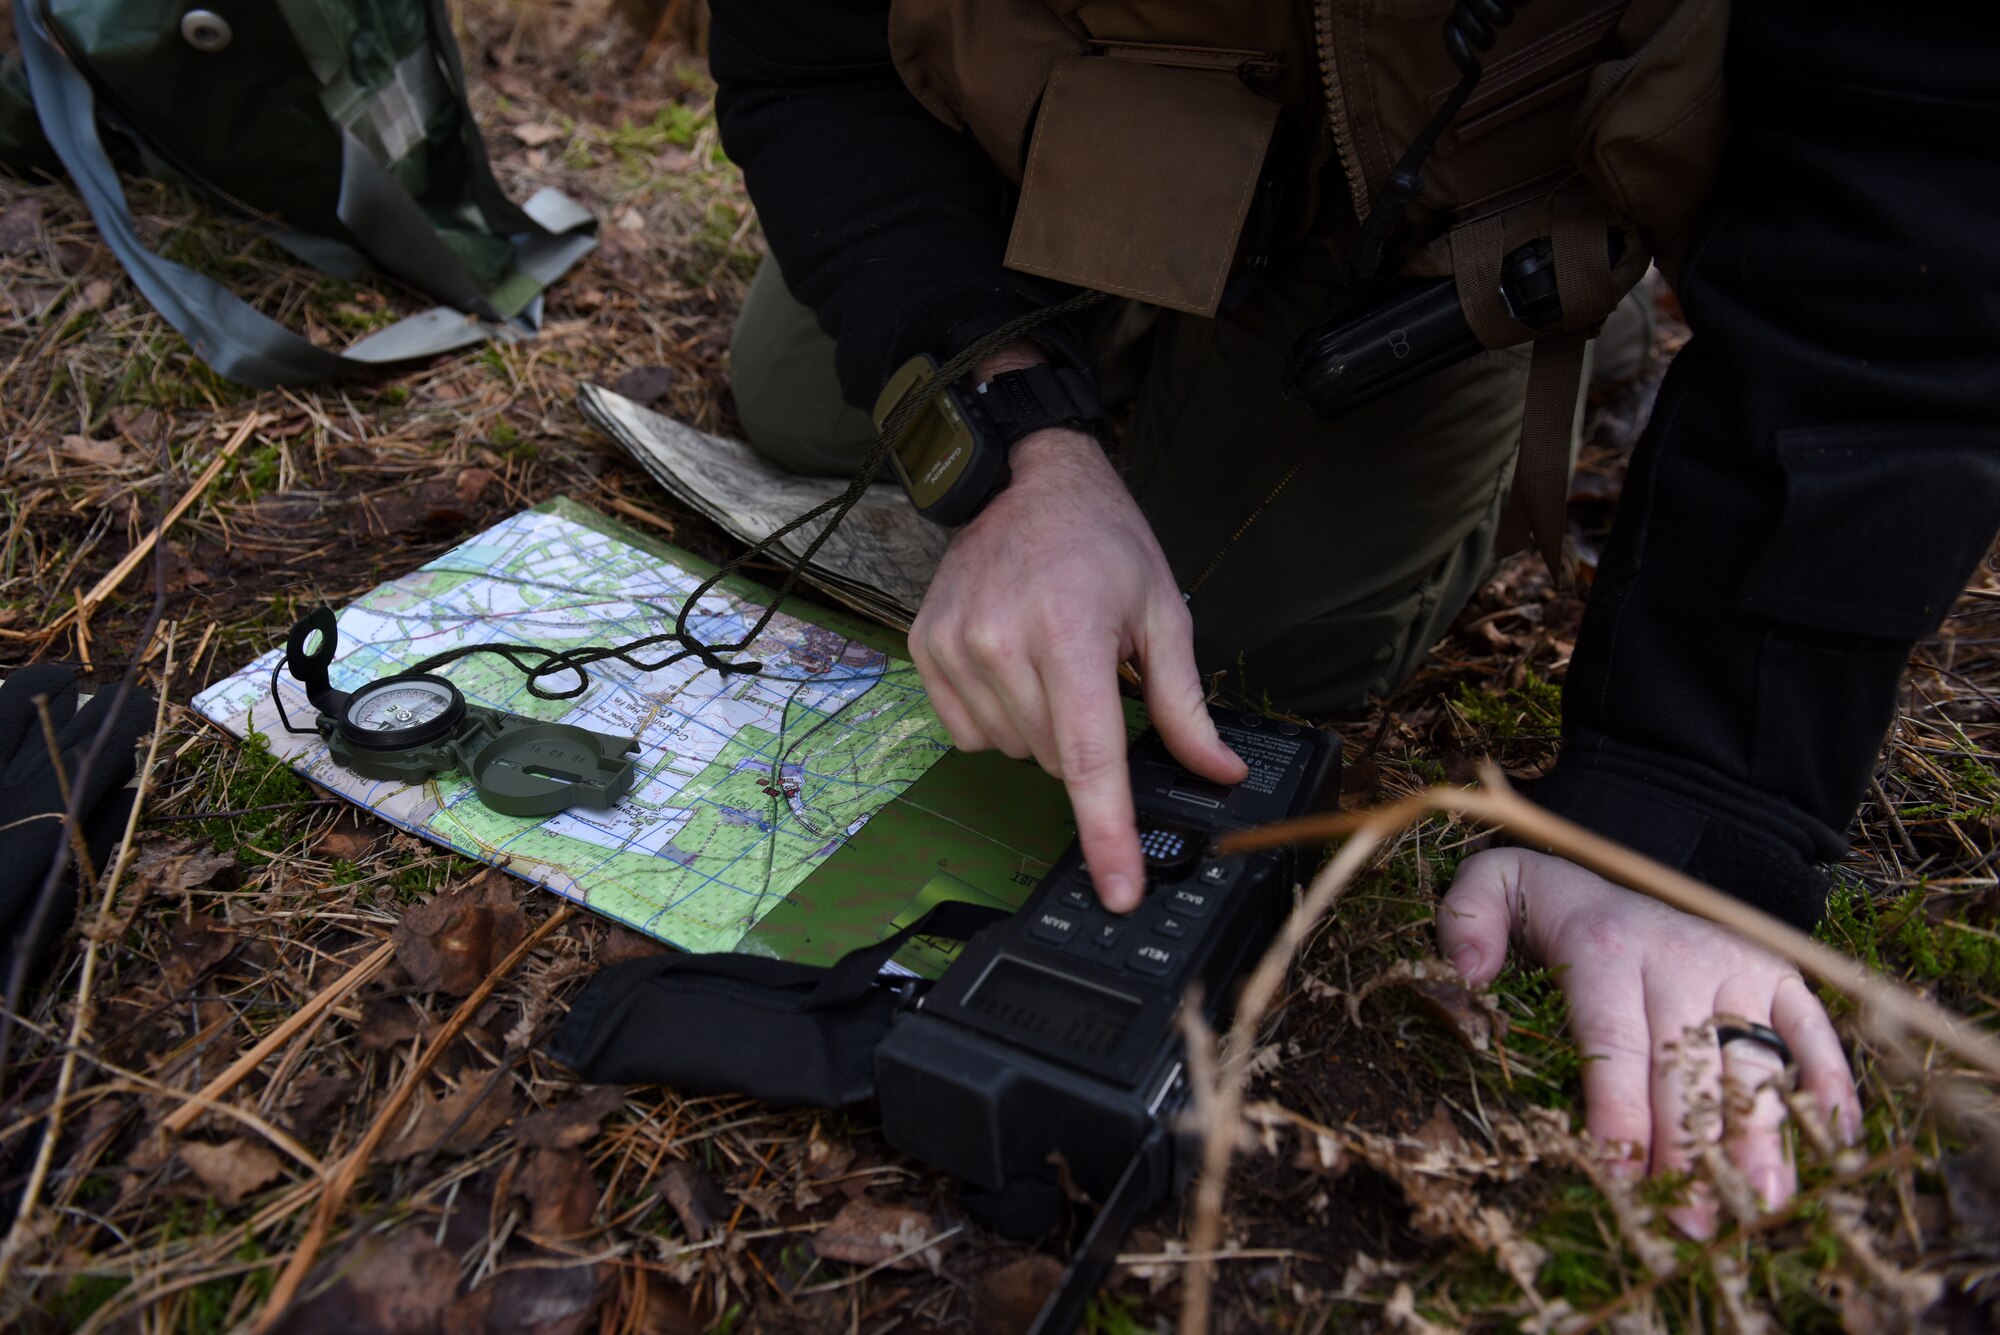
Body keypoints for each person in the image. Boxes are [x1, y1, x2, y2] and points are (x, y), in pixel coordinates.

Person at [707, 0, 1999, 1237]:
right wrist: (1013, 431)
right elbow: (805, 53)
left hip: (1444, 180)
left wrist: (1691, 797)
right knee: (795, 398)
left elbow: (1911, 201)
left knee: (1241, 629)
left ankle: (1575, 309)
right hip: (1131, 88)